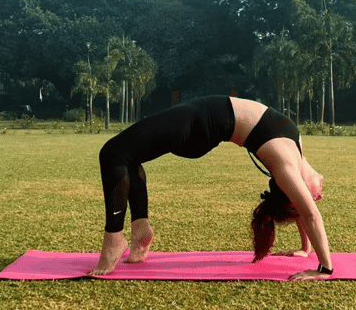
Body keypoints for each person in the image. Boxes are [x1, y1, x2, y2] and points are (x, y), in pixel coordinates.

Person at [90, 95, 332, 281]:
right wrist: (304, 249)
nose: (319, 195)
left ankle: (114, 239)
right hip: (201, 114)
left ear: (293, 193)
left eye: (311, 197)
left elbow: (309, 214)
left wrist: (324, 268)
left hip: (199, 124)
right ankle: (140, 227)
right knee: (128, 155)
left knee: (113, 154)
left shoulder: (286, 167)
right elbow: (302, 210)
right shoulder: (296, 153)